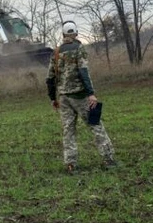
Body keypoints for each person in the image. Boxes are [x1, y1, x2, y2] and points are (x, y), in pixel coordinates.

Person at [46, 21, 119, 173]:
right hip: (81, 96)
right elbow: (84, 71)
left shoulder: (56, 52)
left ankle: (71, 164)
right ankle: (109, 160)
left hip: (63, 98)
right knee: (96, 124)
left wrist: (53, 98)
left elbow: (50, 78)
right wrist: (91, 93)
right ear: (76, 33)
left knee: (68, 131)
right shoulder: (79, 48)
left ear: (63, 34)